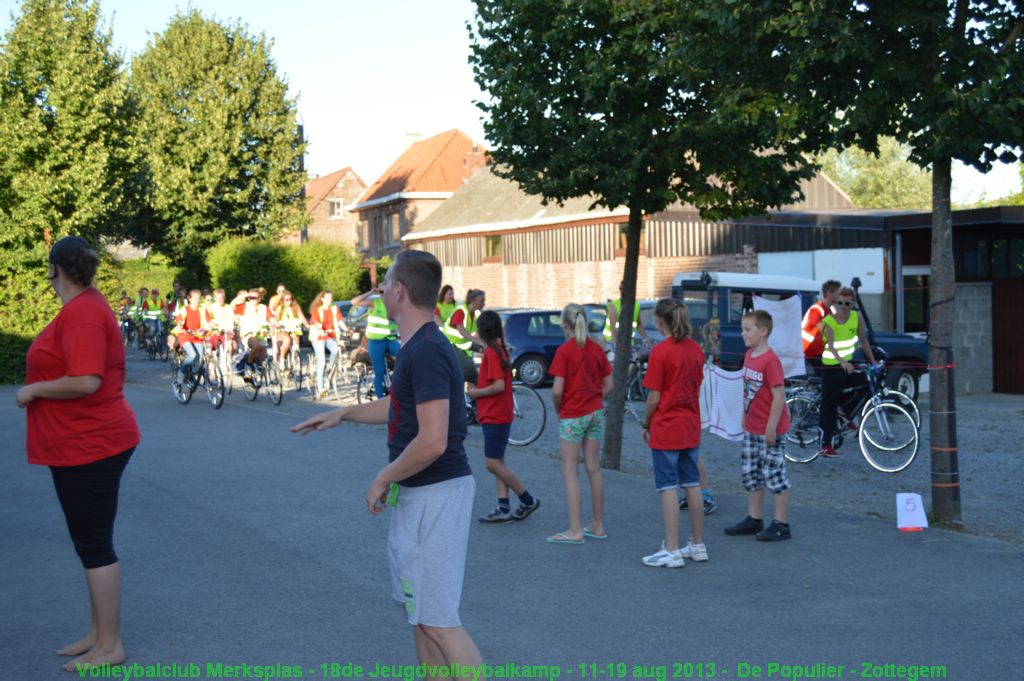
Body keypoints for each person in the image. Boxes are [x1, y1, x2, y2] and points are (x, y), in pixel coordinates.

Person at [292, 250, 485, 674]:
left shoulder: (429, 350)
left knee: (438, 621)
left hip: (436, 494)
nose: (378, 290)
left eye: (385, 284)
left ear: (399, 290)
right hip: (419, 494)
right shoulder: (418, 346)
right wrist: (342, 414)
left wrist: (383, 477)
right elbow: (399, 405)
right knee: (420, 615)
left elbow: (432, 441)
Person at [16, 236, 140, 673]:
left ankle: (110, 646)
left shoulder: (84, 312)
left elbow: (86, 380)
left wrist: (33, 389)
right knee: (89, 542)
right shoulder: (83, 306)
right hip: (80, 442)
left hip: (91, 443)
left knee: (94, 544)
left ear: (55, 270)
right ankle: (98, 634)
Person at [639, 299, 707, 567]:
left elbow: (654, 396)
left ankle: (672, 548)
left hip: (667, 425)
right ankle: (698, 543)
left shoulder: (660, 352)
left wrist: (645, 423)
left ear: (660, 320)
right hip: (689, 423)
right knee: (692, 484)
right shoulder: (696, 351)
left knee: (667, 486)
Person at [466, 310, 541, 524]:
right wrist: (478, 388)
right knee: (498, 461)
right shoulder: (498, 350)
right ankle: (503, 507)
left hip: (495, 415)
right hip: (497, 413)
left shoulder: (492, 352)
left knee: (492, 463)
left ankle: (527, 499)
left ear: (482, 331)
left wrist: (475, 393)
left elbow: (498, 386)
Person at [548, 303, 613, 544]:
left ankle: (575, 529)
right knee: (594, 468)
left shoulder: (565, 351)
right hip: (594, 412)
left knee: (570, 470)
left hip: (573, 414)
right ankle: (597, 525)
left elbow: (557, 391)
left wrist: (559, 411)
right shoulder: (596, 349)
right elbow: (610, 385)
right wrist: (594, 399)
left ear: (565, 325)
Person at [724, 310, 792, 541]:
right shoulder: (750, 355)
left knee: (774, 475)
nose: (743, 333)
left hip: (769, 429)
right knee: (751, 474)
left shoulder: (770, 360)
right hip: (752, 427)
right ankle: (754, 518)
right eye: (743, 329)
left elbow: (779, 395)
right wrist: (745, 415)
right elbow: (748, 390)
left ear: (763, 331)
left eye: (747, 329)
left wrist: (771, 427)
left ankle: (781, 524)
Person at [817, 286, 878, 458]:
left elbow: (863, 340)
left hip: (848, 364)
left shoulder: (856, 318)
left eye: (847, 303)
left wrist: (873, 361)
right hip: (831, 366)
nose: (844, 306)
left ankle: (844, 411)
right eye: (840, 303)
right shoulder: (829, 321)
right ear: (836, 303)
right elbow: (830, 345)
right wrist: (842, 362)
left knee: (866, 383)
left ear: (853, 304)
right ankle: (824, 444)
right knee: (827, 407)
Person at [352, 287, 400, 399]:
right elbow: (354, 302)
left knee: (404, 354)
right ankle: (379, 400)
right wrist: (370, 292)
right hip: (376, 342)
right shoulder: (374, 302)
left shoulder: (395, 304)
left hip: (390, 340)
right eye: (382, 292)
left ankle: (398, 381)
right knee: (379, 371)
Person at [442, 288, 486, 384]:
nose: (484, 304)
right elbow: (462, 331)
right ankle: (453, 386)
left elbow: (478, 333)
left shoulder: (477, 314)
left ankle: (476, 394)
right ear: (472, 301)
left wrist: (485, 344)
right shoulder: (461, 311)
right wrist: (478, 342)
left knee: (473, 374)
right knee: (468, 367)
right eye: (481, 301)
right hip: (449, 344)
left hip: (461, 345)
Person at [801, 279, 841, 374]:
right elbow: (825, 331)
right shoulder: (817, 310)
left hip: (820, 352)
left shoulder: (831, 310)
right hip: (809, 353)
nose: (839, 296)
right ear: (829, 293)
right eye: (837, 293)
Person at [309, 290, 343, 398]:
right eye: (328, 298)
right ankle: (321, 389)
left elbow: (340, 320)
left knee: (335, 350)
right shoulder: (317, 310)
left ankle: (330, 368)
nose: (330, 300)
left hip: (329, 336)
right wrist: (319, 328)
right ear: (322, 299)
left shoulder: (334, 308)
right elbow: (315, 322)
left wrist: (347, 329)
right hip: (318, 337)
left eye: (331, 298)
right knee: (321, 362)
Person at [174, 289, 210, 388]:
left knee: (199, 359)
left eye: (199, 299)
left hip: (197, 336)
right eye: (195, 299)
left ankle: (191, 374)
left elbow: (209, 321)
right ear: (189, 299)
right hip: (185, 335)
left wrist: (215, 325)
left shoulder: (202, 309)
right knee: (193, 355)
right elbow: (179, 320)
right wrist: (180, 324)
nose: (197, 301)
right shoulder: (185, 309)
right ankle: (181, 374)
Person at [233, 288, 270, 377]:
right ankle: (248, 364)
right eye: (251, 298)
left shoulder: (264, 308)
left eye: (255, 298)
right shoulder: (244, 306)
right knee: (257, 345)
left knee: (263, 353)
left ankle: (260, 374)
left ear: (259, 298)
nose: (253, 300)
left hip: (261, 335)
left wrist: (275, 324)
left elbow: (271, 318)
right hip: (247, 334)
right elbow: (231, 307)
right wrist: (241, 296)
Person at [272, 290, 308, 366]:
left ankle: (296, 356)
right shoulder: (280, 308)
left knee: (296, 337)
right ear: (282, 300)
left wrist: (307, 326)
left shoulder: (296, 308)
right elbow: (276, 320)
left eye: (291, 299)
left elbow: (302, 317)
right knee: (287, 341)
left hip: (294, 329)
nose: (289, 301)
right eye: (287, 300)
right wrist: (278, 325)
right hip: (283, 330)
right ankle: (282, 360)